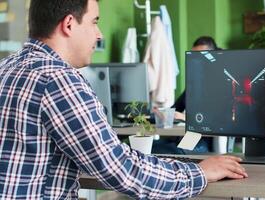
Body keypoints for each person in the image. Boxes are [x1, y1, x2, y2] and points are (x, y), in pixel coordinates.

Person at [0, 0, 247, 199]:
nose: (98, 34)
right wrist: (199, 173)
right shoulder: (60, 81)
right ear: (68, 24)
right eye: (94, 22)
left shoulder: (5, 67)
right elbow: (121, 171)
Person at [172, 36, 219, 121]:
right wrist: (163, 113)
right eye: (194, 56)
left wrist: (186, 117)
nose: (195, 60)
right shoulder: (194, 82)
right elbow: (176, 108)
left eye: (201, 55)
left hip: (214, 133)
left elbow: (220, 118)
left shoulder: (222, 83)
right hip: (196, 132)